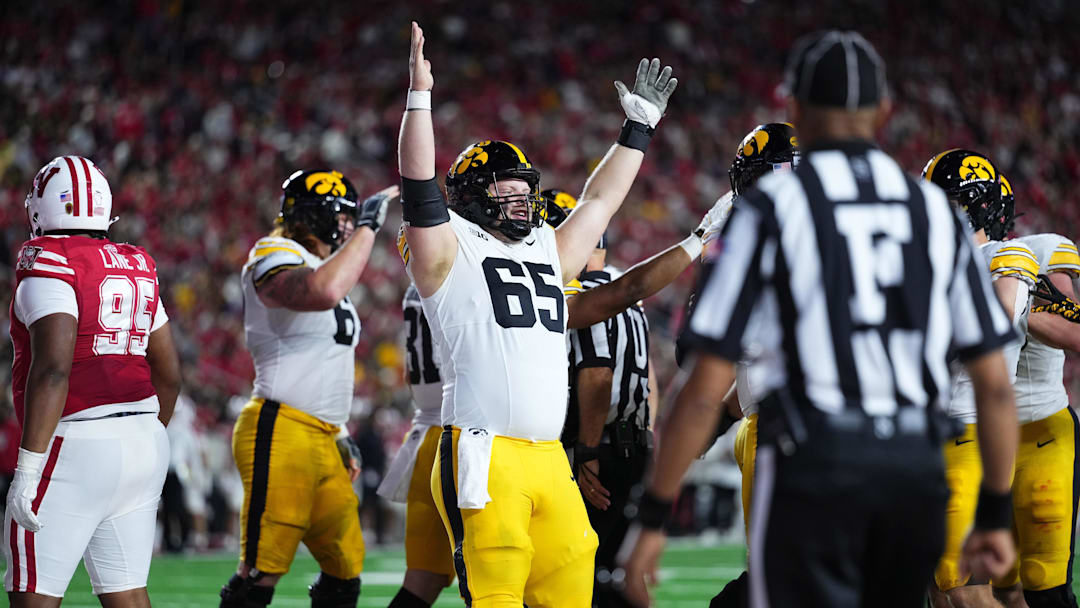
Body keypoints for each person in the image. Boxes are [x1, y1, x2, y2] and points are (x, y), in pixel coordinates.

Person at [621, 30, 1020, 608]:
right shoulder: (934, 212)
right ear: (884, 112)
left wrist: (655, 514)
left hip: (813, 460)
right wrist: (996, 511)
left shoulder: (769, 209)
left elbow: (705, 382)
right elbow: (995, 384)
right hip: (912, 464)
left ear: (795, 109)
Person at [396, 21, 676, 607]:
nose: (523, 200)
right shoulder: (449, 248)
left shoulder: (547, 249)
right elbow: (418, 183)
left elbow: (600, 201)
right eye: (507, 189)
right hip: (484, 451)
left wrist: (637, 130)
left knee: (571, 592)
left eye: (525, 188)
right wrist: (420, 96)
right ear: (472, 194)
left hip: (550, 458)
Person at [3, 155, 181, 606]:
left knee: (33, 596)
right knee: (128, 594)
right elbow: (169, 374)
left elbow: (53, 369)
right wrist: (140, 435)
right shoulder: (136, 262)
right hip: (145, 439)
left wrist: (27, 469)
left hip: (76, 441)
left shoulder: (50, 261)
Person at [217, 170, 393, 608]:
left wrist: (341, 431)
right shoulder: (275, 252)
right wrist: (369, 229)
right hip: (280, 427)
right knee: (261, 571)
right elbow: (323, 291)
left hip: (323, 434)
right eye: (342, 217)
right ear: (312, 216)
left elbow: (325, 360)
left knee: (345, 567)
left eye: (353, 219)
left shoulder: (320, 264)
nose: (349, 226)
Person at [920, 150, 1038, 608]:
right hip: (928, 436)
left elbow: (999, 315)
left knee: (964, 589)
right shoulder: (927, 260)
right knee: (939, 589)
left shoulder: (1006, 253)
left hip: (969, 432)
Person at [989, 175, 1080, 608]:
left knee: (1044, 584)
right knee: (986, 587)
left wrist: (1014, 305)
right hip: (977, 438)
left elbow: (1074, 331)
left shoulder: (1040, 251)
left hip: (1040, 430)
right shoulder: (937, 261)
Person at [379, 282, 455, 608]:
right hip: (466, 436)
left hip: (426, 434)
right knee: (496, 577)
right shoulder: (463, 268)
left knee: (423, 579)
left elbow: (411, 375)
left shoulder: (415, 286)